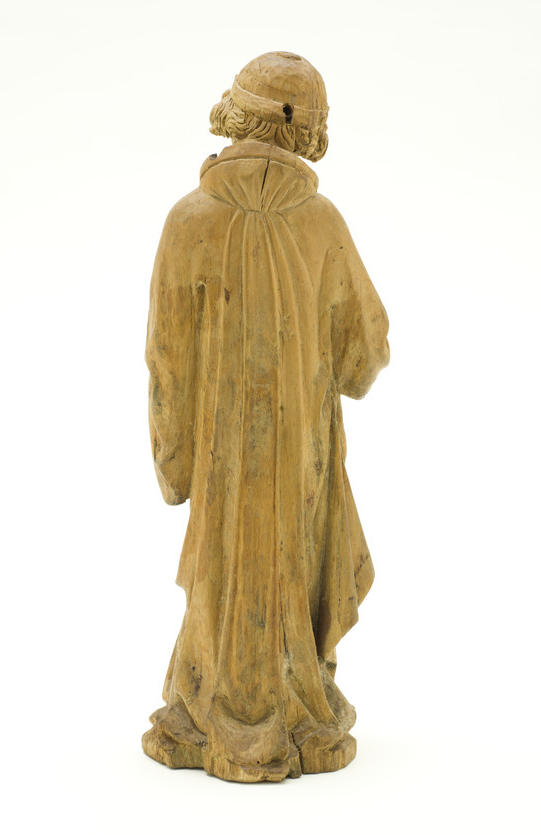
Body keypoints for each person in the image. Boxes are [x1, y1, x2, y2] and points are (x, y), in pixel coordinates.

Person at [142, 51, 390, 783]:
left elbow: (166, 362)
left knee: (221, 570)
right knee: (296, 557)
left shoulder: (188, 221)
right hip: (299, 457)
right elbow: (366, 352)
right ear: (308, 133)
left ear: (236, 115)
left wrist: (175, 462)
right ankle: (295, 704)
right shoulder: (321, 223)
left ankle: (206, 705)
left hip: (220, 463)